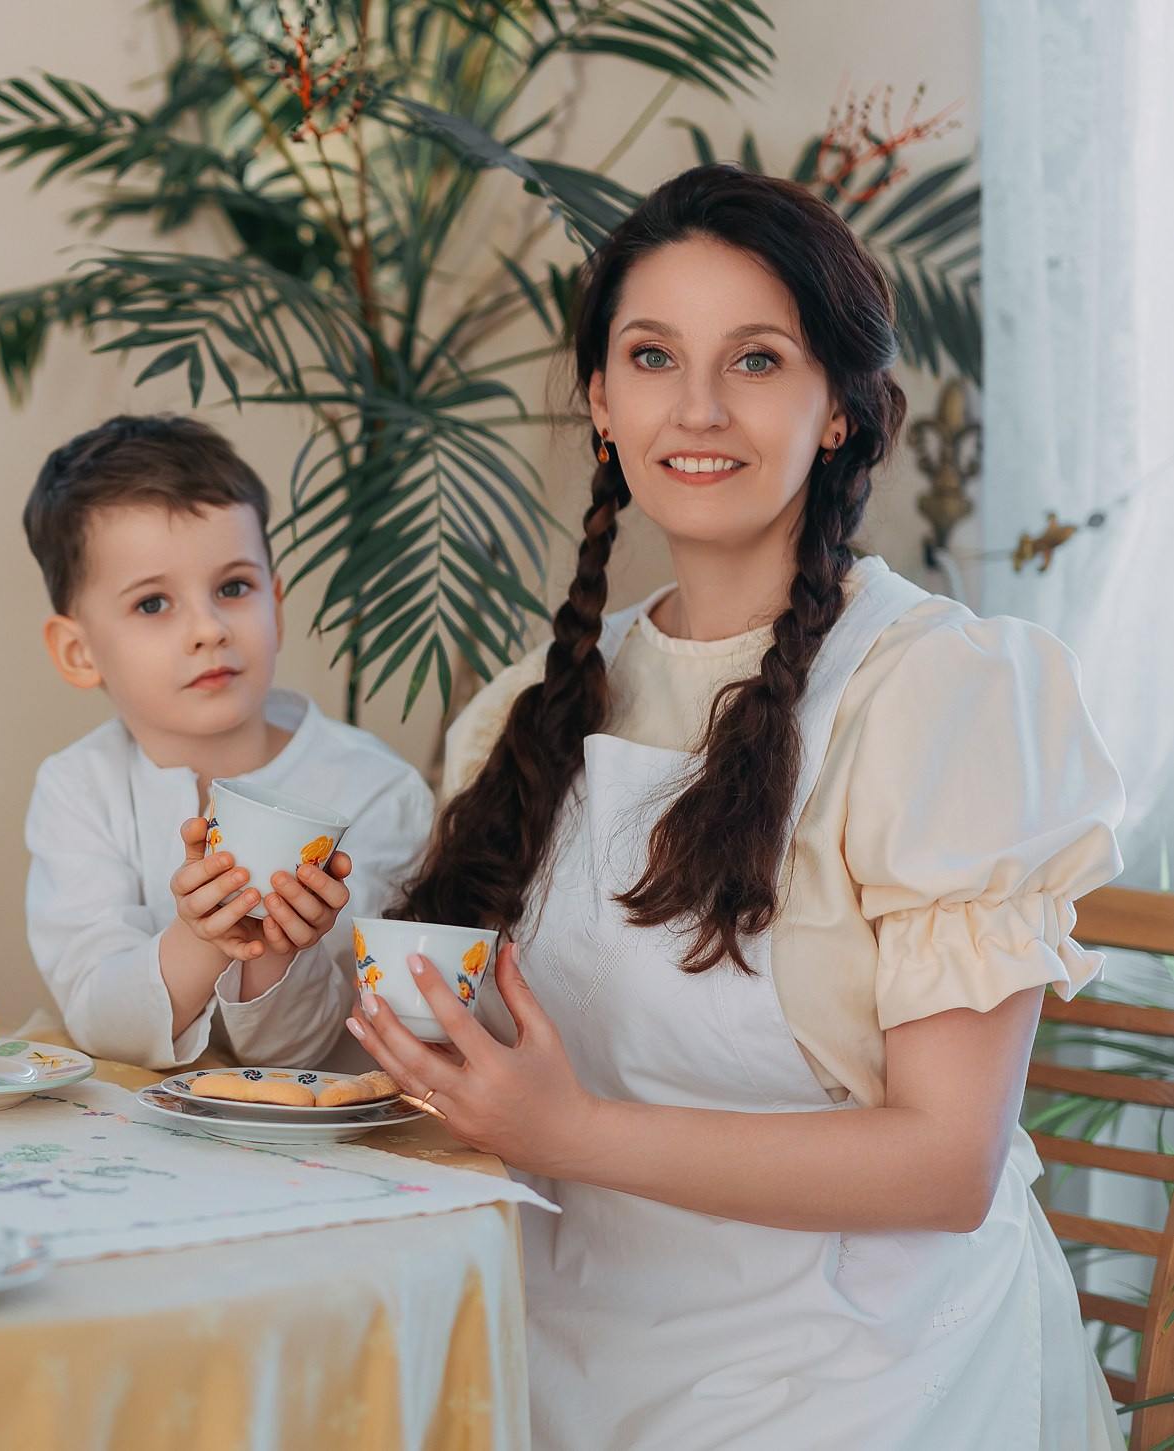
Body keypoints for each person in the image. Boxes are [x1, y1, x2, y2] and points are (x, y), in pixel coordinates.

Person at [348, 166, 1125, 1449]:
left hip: (861, 1374)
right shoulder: (524, 712)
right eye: (652, 356)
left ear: (837, 409)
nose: (696, 407)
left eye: (755, 360)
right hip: (553, 1346)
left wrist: (574, 1132)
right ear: (600, 401)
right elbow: (483, 1064)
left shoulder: (936, 693)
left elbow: (944, 1164)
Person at [21, 414, 434, 1070]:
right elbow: (99, 1016)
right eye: (153, 603)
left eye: (232, 588)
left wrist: (275, 947)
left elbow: (311, 1053)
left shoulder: (376, 790)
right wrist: (200, 937)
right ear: (78, 651)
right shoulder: (77, 790)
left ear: (275, 601)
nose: (208, 629)